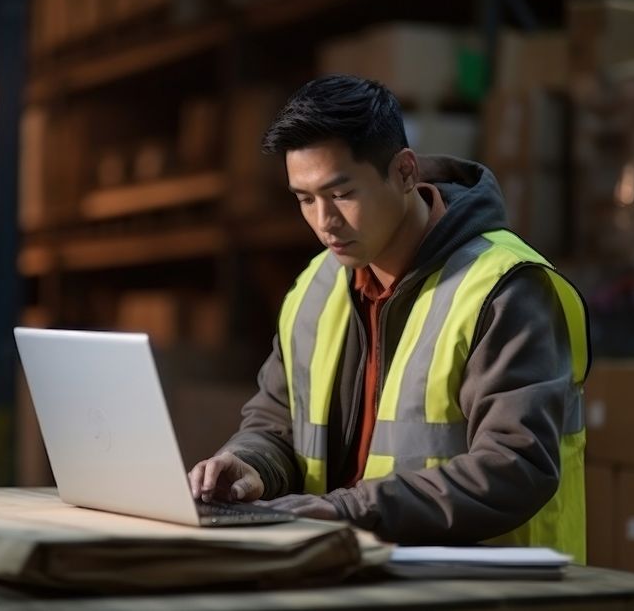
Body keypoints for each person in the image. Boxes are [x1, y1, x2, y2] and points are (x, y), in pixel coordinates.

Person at [188, 74, 590, 561]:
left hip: (484, 590)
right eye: (304, 199)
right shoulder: (316, 286)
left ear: (404, 173)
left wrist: (347, 510)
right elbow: (277, 420)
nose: (324, 223)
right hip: (349, 574)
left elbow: (516, 465)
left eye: (341, 195)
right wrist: (251, 464)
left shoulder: (504, 287)